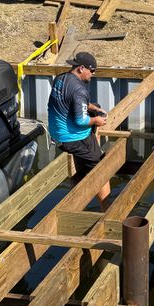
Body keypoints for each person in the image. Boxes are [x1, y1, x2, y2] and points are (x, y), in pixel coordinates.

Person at [48, 51, 111, 209]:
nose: (93, 74)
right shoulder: (79, 90)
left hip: (57, 132)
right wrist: (97, 120)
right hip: (72, 138)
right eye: (92, 70)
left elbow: (72, 101)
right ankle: (107, 208)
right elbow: (81, 120)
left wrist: (92, 107)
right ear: (81, 68)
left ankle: (77, 187)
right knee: (101, 169)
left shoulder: (61, 78)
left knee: (95, 108)